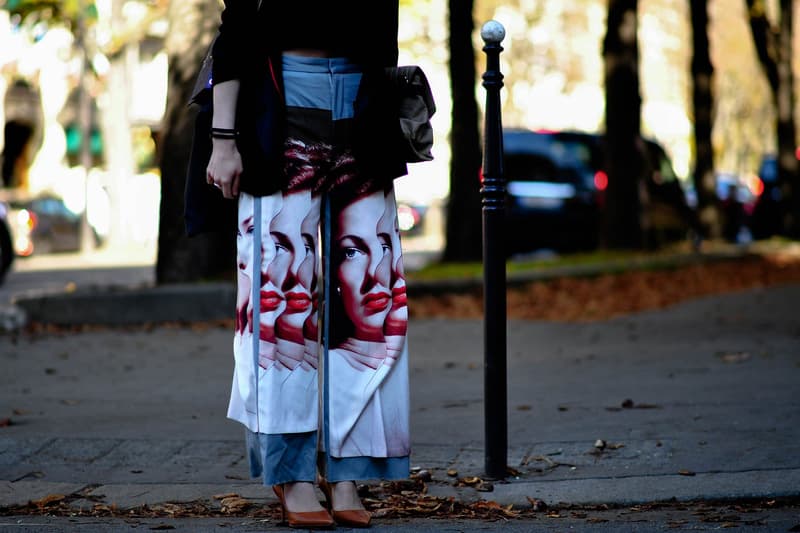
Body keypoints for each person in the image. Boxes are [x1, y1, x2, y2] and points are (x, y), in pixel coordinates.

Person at [205, 1, 412, 529]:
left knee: (373, 303)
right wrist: (223, 141)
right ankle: (291, 471)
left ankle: (349, 469)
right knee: (280, 299)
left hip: (362, 107)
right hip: (276, 109)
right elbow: (236, 31)